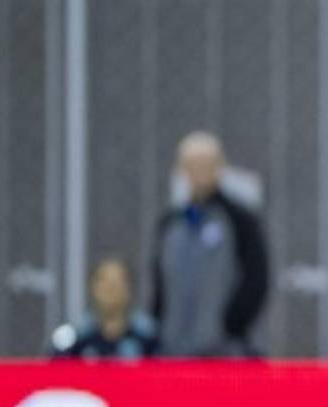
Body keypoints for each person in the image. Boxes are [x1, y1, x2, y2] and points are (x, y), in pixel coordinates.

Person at [152, 132, 269, 357]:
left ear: (220, 167)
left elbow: (256, 279)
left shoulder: (240, 220)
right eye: (193, 165)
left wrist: (232, 325)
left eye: (207, 164)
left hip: (225, 349)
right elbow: (160, 283)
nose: (200, 171)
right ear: (181, 169)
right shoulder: (171, 223)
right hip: (173, 348)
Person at [50, 256, 159, 359]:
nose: (110, 289)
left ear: (129, 289)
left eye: (118, 282)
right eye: (104, 282)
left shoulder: (148, 338)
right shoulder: (74, 338)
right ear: (92, 287)